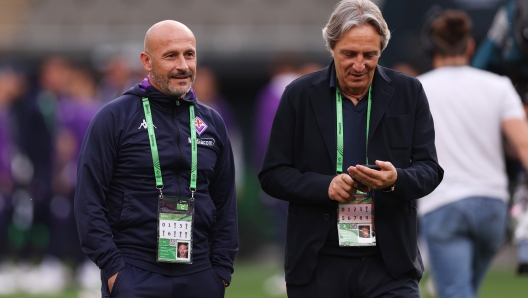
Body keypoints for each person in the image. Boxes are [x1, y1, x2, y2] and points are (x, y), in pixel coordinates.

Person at [258, 1, 443, 297]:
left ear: (381, 50)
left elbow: (430, 170)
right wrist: (325, 187)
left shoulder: (408, 92)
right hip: (318, 263)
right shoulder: (299, 94)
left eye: (369, 55)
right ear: (331, 48)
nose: (359, 65)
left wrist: (396, 180)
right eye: (349, 54)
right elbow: (272, 175)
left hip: (390, 264)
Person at [74, 20, 238, 298]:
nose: (183, 66)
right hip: (135, 270)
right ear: (147, 61)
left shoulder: (212, 122)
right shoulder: (114, 117)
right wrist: (114, 270)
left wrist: (220, 271)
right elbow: (88, 200)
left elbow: (225, 203)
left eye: (189, 54)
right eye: (171, 55)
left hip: (200, 272)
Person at [417, 10, 528, 298]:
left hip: (443, 204)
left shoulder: (417, 89)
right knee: (464, 290)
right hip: (492, 206)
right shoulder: (498, 87)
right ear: (470, 47)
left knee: (454, 291)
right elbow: (523, 144)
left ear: (429, 47)